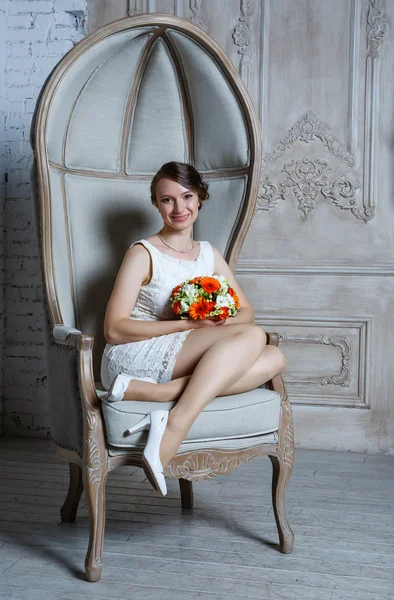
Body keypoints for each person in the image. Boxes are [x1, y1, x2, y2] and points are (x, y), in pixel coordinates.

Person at [100, 161, 286, 496]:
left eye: (186, 196)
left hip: (183, 350)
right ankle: (174, 425)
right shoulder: (142, 253)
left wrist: (216, 317)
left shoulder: (208, 254)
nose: (179, 207)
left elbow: (246, 312)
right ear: (156, 204)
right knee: (256, 338)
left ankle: (155, 398)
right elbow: (113, 330)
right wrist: (187, 323)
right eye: (167, 199)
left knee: (273, 357)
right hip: (134, 354)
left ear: (199, 198)